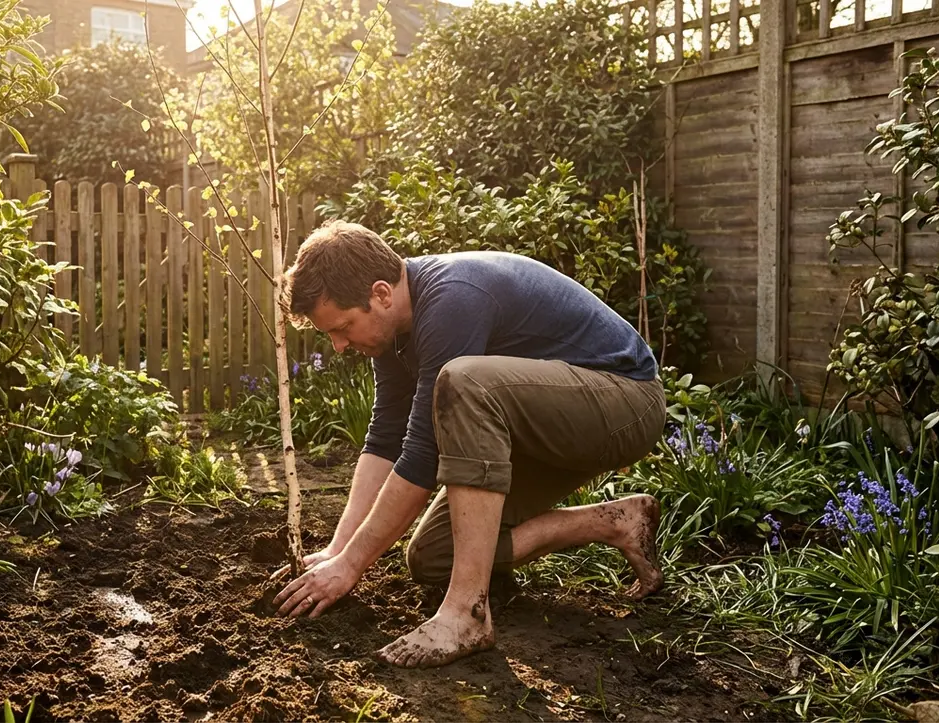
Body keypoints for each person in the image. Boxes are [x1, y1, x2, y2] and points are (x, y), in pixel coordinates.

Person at [270, 220, 667, 669]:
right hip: (545, 428)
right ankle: (616, 522)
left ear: (381, 294)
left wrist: (352, 567)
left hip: (625, 401)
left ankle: (466, 615)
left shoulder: (451, 300)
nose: (339, 346)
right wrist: (339, 551)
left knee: (463, 380)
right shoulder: (395, 336)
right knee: (433, 556)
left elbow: (421, 456)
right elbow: (385, 438)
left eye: (342, 327)